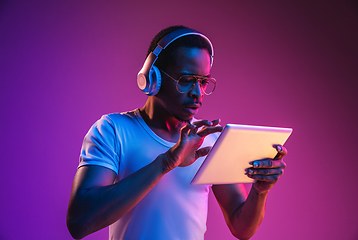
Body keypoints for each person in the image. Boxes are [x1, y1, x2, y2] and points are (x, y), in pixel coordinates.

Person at [66, 25, 287, 240]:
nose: (197, 93)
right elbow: (80, 222)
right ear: (153, 79)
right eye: (186, 81)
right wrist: (166, 162)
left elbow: (242, 228)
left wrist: (260, 190)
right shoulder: (113, 130)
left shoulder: (209, 137)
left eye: (203, 82)